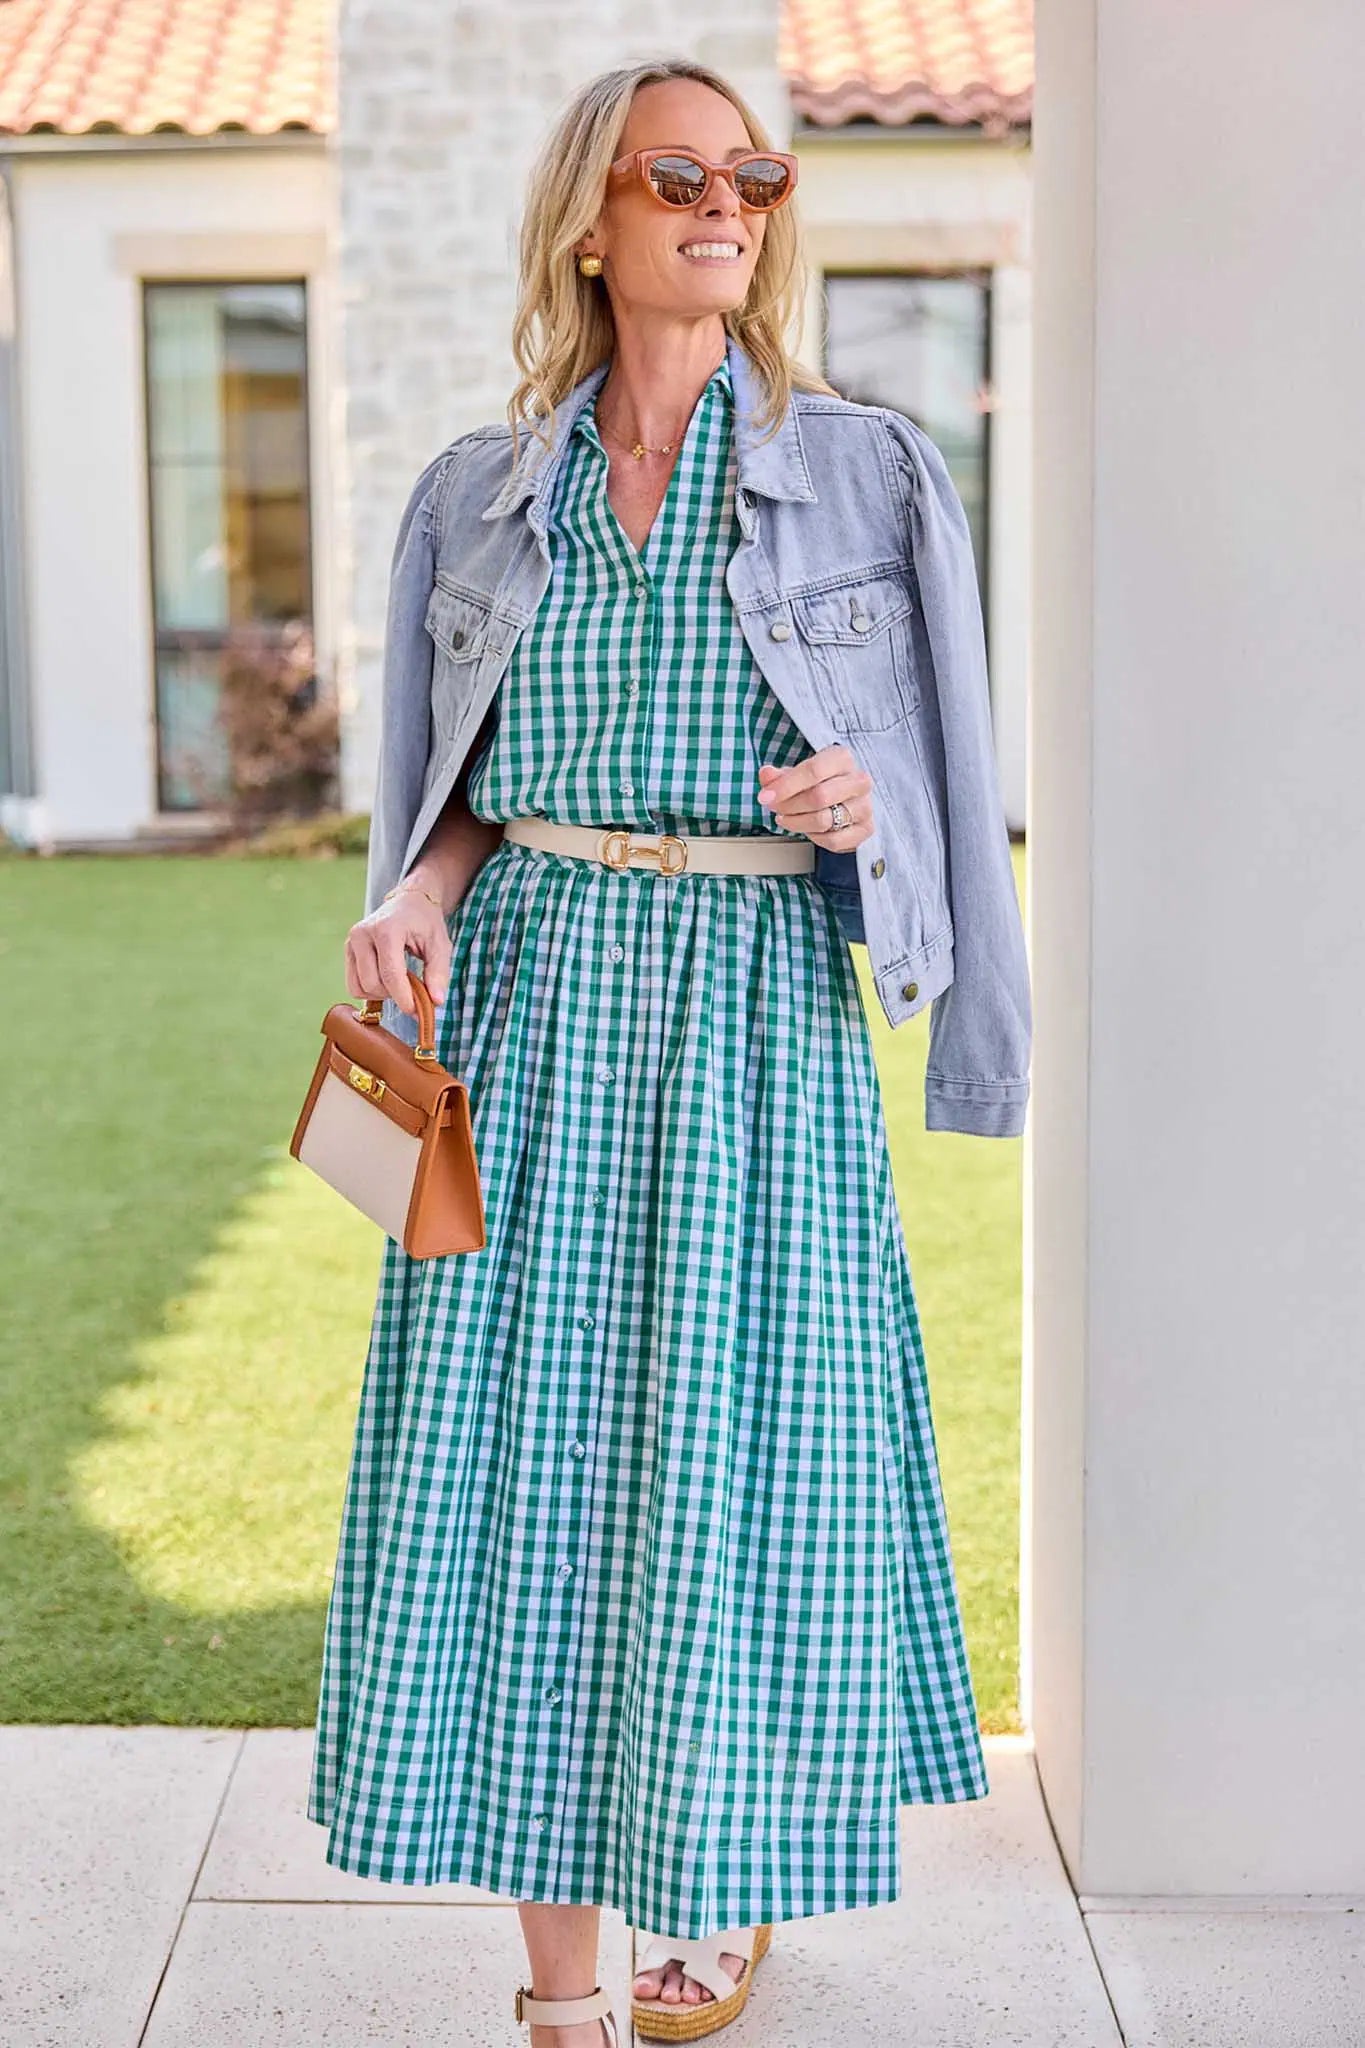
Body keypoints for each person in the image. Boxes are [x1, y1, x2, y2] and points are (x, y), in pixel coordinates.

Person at [306, 55, 1031, 2048]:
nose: (725, 207)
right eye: (678, 177)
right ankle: (556, 1988)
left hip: (751, 1016)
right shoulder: (475, 493)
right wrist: (416, 895)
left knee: (727, 1463)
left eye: (751, 178)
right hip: (529, 1008)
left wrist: (863, 807)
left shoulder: (867, 473)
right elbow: (453, 788)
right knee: (515, 1476)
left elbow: (949, 779)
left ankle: (707, 1890)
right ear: (588, 223)